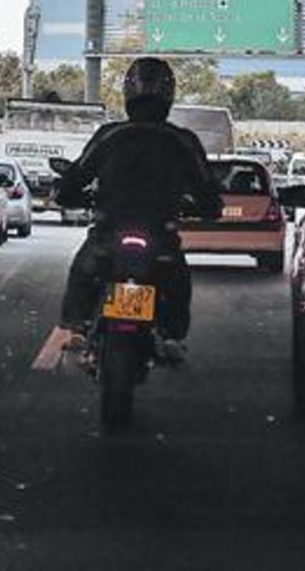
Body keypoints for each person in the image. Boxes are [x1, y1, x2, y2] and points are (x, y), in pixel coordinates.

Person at [55, 57, 221, 353]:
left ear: (128, 94)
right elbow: (207, 190)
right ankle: (170, 337)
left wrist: (67, 194)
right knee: (177, 279)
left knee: (84, 269)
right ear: (169, 95)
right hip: (160, 236)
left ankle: (77, 327)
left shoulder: (110, 135)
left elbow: (76, 176)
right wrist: (208, 207)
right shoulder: (182, 141)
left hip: (110, 231)